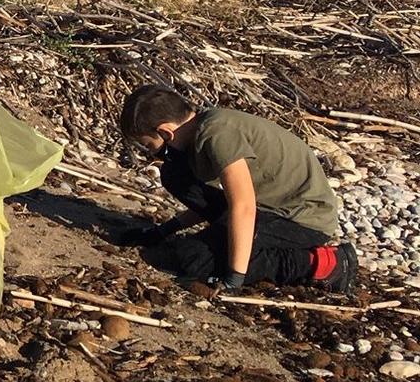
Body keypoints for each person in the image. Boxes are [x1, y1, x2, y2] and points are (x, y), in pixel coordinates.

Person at [117, 83, 358, 291]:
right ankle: (230, 245)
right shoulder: (202, 130)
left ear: (166, 133)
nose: (154, 153)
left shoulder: (216, 134)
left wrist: (233, 279)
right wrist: (163, 231)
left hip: (302, 219)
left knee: (196, 258)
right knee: (175, 175)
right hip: (268, 208)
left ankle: (327, 263)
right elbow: (215, 201)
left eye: (151, 146)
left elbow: (242, 205)